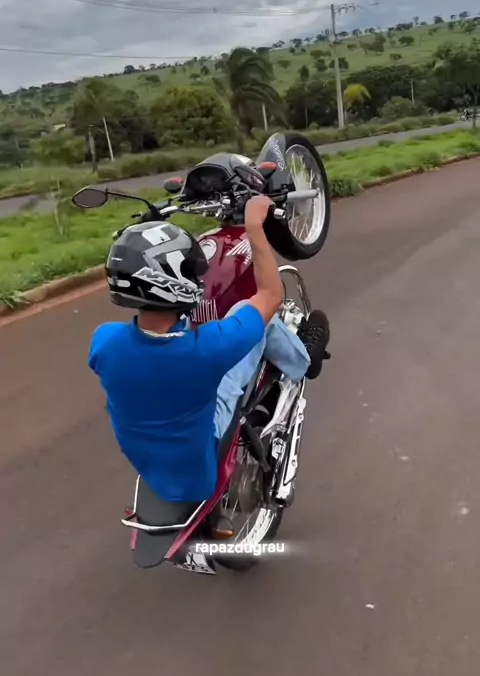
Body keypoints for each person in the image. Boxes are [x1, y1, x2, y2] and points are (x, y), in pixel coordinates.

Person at [88, 195, 329, 504]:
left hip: (149, 462)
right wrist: (255, 226)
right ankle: (303, 360)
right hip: (200, 468)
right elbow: (270, 297)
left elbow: (156, 359)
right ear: (177, 284)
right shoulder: (209, 348)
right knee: (252, 313)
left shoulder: (105, 341)